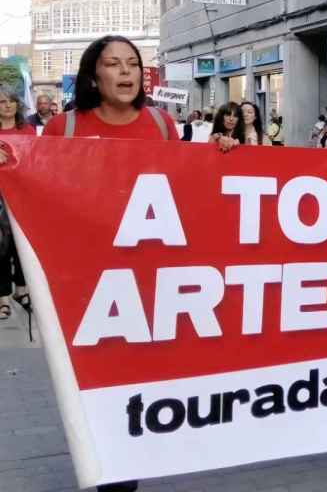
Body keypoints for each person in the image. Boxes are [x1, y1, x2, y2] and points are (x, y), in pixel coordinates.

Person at [41, 35, 181, 492]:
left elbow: (187, 191)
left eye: (134, 63)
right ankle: (110, 468)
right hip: (85, 286)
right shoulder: (63, 129)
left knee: (136, 378)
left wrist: (221, 155)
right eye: (113, 64)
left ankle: (123, 465)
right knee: (95, 382)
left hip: (147, 282)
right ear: (92, 76)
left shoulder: (162, 125)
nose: (126, 72)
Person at [0, 85, 35, 322]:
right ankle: (3, 297)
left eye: (11, 100)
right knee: (1, 247)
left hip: (23, 196)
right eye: (2, 102)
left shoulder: (28, 130)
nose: (8, 105)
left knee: (22, 246)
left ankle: (22, 289)